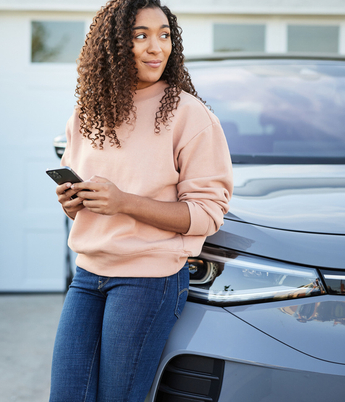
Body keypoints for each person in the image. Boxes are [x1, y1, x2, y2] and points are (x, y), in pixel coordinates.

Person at [49, 1, 234, 401]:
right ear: (113, 45)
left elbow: (207, 214)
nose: (156, 47)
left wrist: (123, 202)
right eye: (141, 35)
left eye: (164, 34)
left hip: (148, 281)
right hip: (88, 275)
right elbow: (85, 195)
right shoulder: (86, 115)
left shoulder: (190, 116)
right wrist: (72, 202)